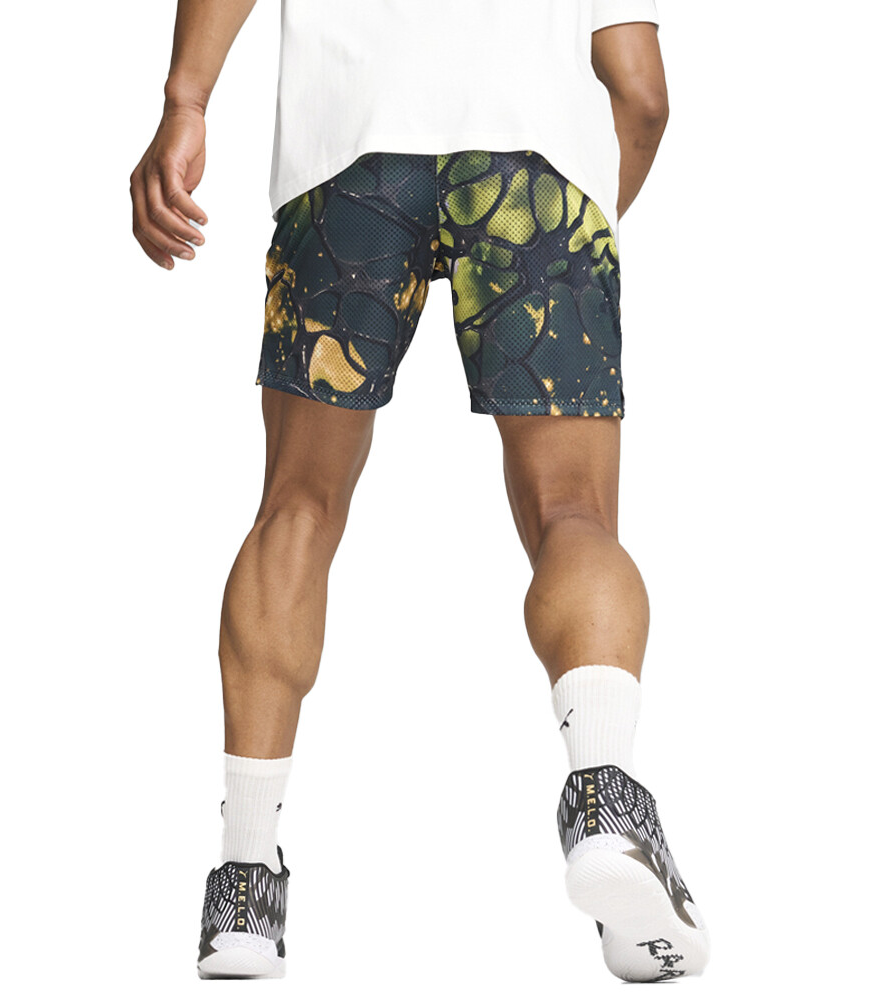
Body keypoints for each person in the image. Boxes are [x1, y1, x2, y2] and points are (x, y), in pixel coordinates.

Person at [131, 0, 709, 983]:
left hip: (349, 156)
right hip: (536, 166)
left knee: (297, 505)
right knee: (571, 510)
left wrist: (186, 102)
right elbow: (640, 90)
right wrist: (581, 224)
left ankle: (243, 891)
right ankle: (606, 799)